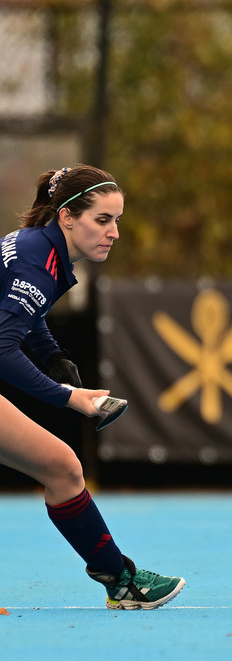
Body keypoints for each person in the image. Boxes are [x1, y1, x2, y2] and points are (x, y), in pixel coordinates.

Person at [0, 164, 185, 609]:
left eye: (116, 220)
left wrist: (52, 356)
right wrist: (69, 397)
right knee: (63, 468)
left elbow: (24, 316)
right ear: (66, 216)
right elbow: (2, 349)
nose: (114, 232)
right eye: (102, 220)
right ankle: (123, 581)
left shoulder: (40, 249)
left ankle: (121, 582)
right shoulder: (37, 261)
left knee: (62, 468)